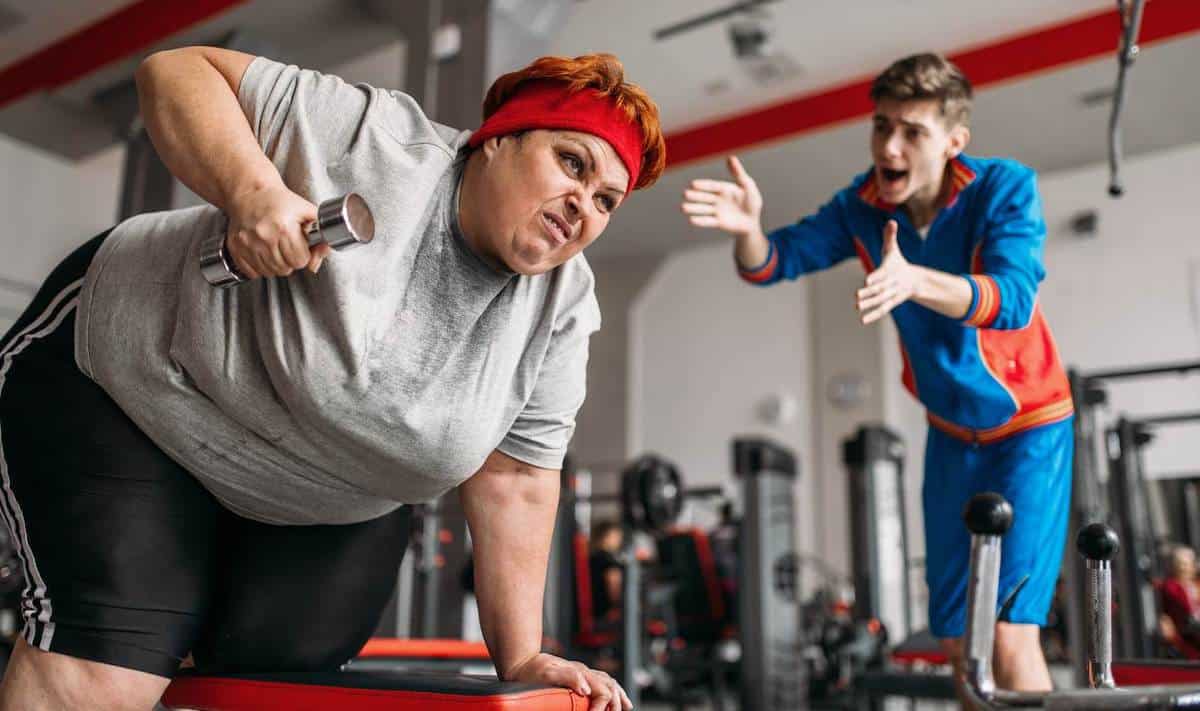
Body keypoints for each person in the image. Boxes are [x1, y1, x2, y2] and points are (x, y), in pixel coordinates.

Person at [0, 45, 665, 711]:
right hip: (133, 387)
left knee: (274, 678)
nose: (582, 203)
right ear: (497, 142)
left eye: (607, 199)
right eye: (571, 164)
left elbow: (516, 480)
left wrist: (521, 655)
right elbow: (172, 71)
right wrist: (252, 191)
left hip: (321, 491)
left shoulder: (564, 306)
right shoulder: (375, 140)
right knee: (109, 666)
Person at [681, 53, 1073, 695]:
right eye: (881, 125)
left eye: (911, 131)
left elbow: (1014, 298)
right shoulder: (860, 208)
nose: (889, 145)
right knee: (956, 636)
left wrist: (914, 279)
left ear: (953, 142)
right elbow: (773, 261)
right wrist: (749, 231)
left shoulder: (1003, 187)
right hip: (950, 432)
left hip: (1030, 426)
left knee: (1006, 630)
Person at [1159, 545, 1200, 658]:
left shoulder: (1197, 585)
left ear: (1193, 566)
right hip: (1183, 644)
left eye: (1186, 564)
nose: (1183, 568)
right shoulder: (1170, 588)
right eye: (1179, 564)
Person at [588, 519, 625, 623]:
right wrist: (618, 607)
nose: (619, 540)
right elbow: (613, 584)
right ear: (605, 537)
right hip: (605, 613)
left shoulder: (594, 558)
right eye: (616, 536)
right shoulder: (606, 559)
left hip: (597, 610)